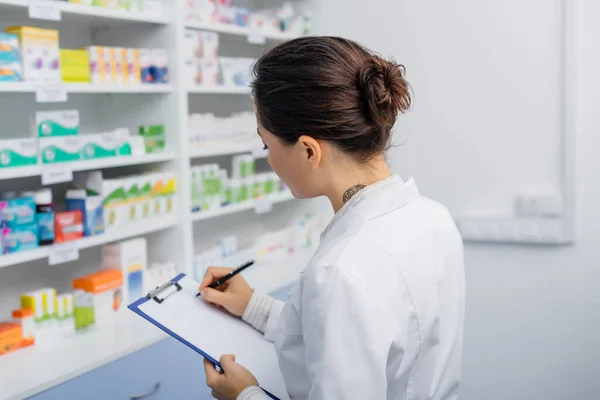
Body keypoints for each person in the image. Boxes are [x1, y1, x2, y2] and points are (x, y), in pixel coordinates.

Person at [200, 36, 465, 400]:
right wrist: (254, 307)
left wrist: (244, 395)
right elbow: (356, 336)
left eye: (267, 144)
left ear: (309, 150)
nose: (268, 159)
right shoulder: (433, 218)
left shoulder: (342, 270)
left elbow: (346, 318)